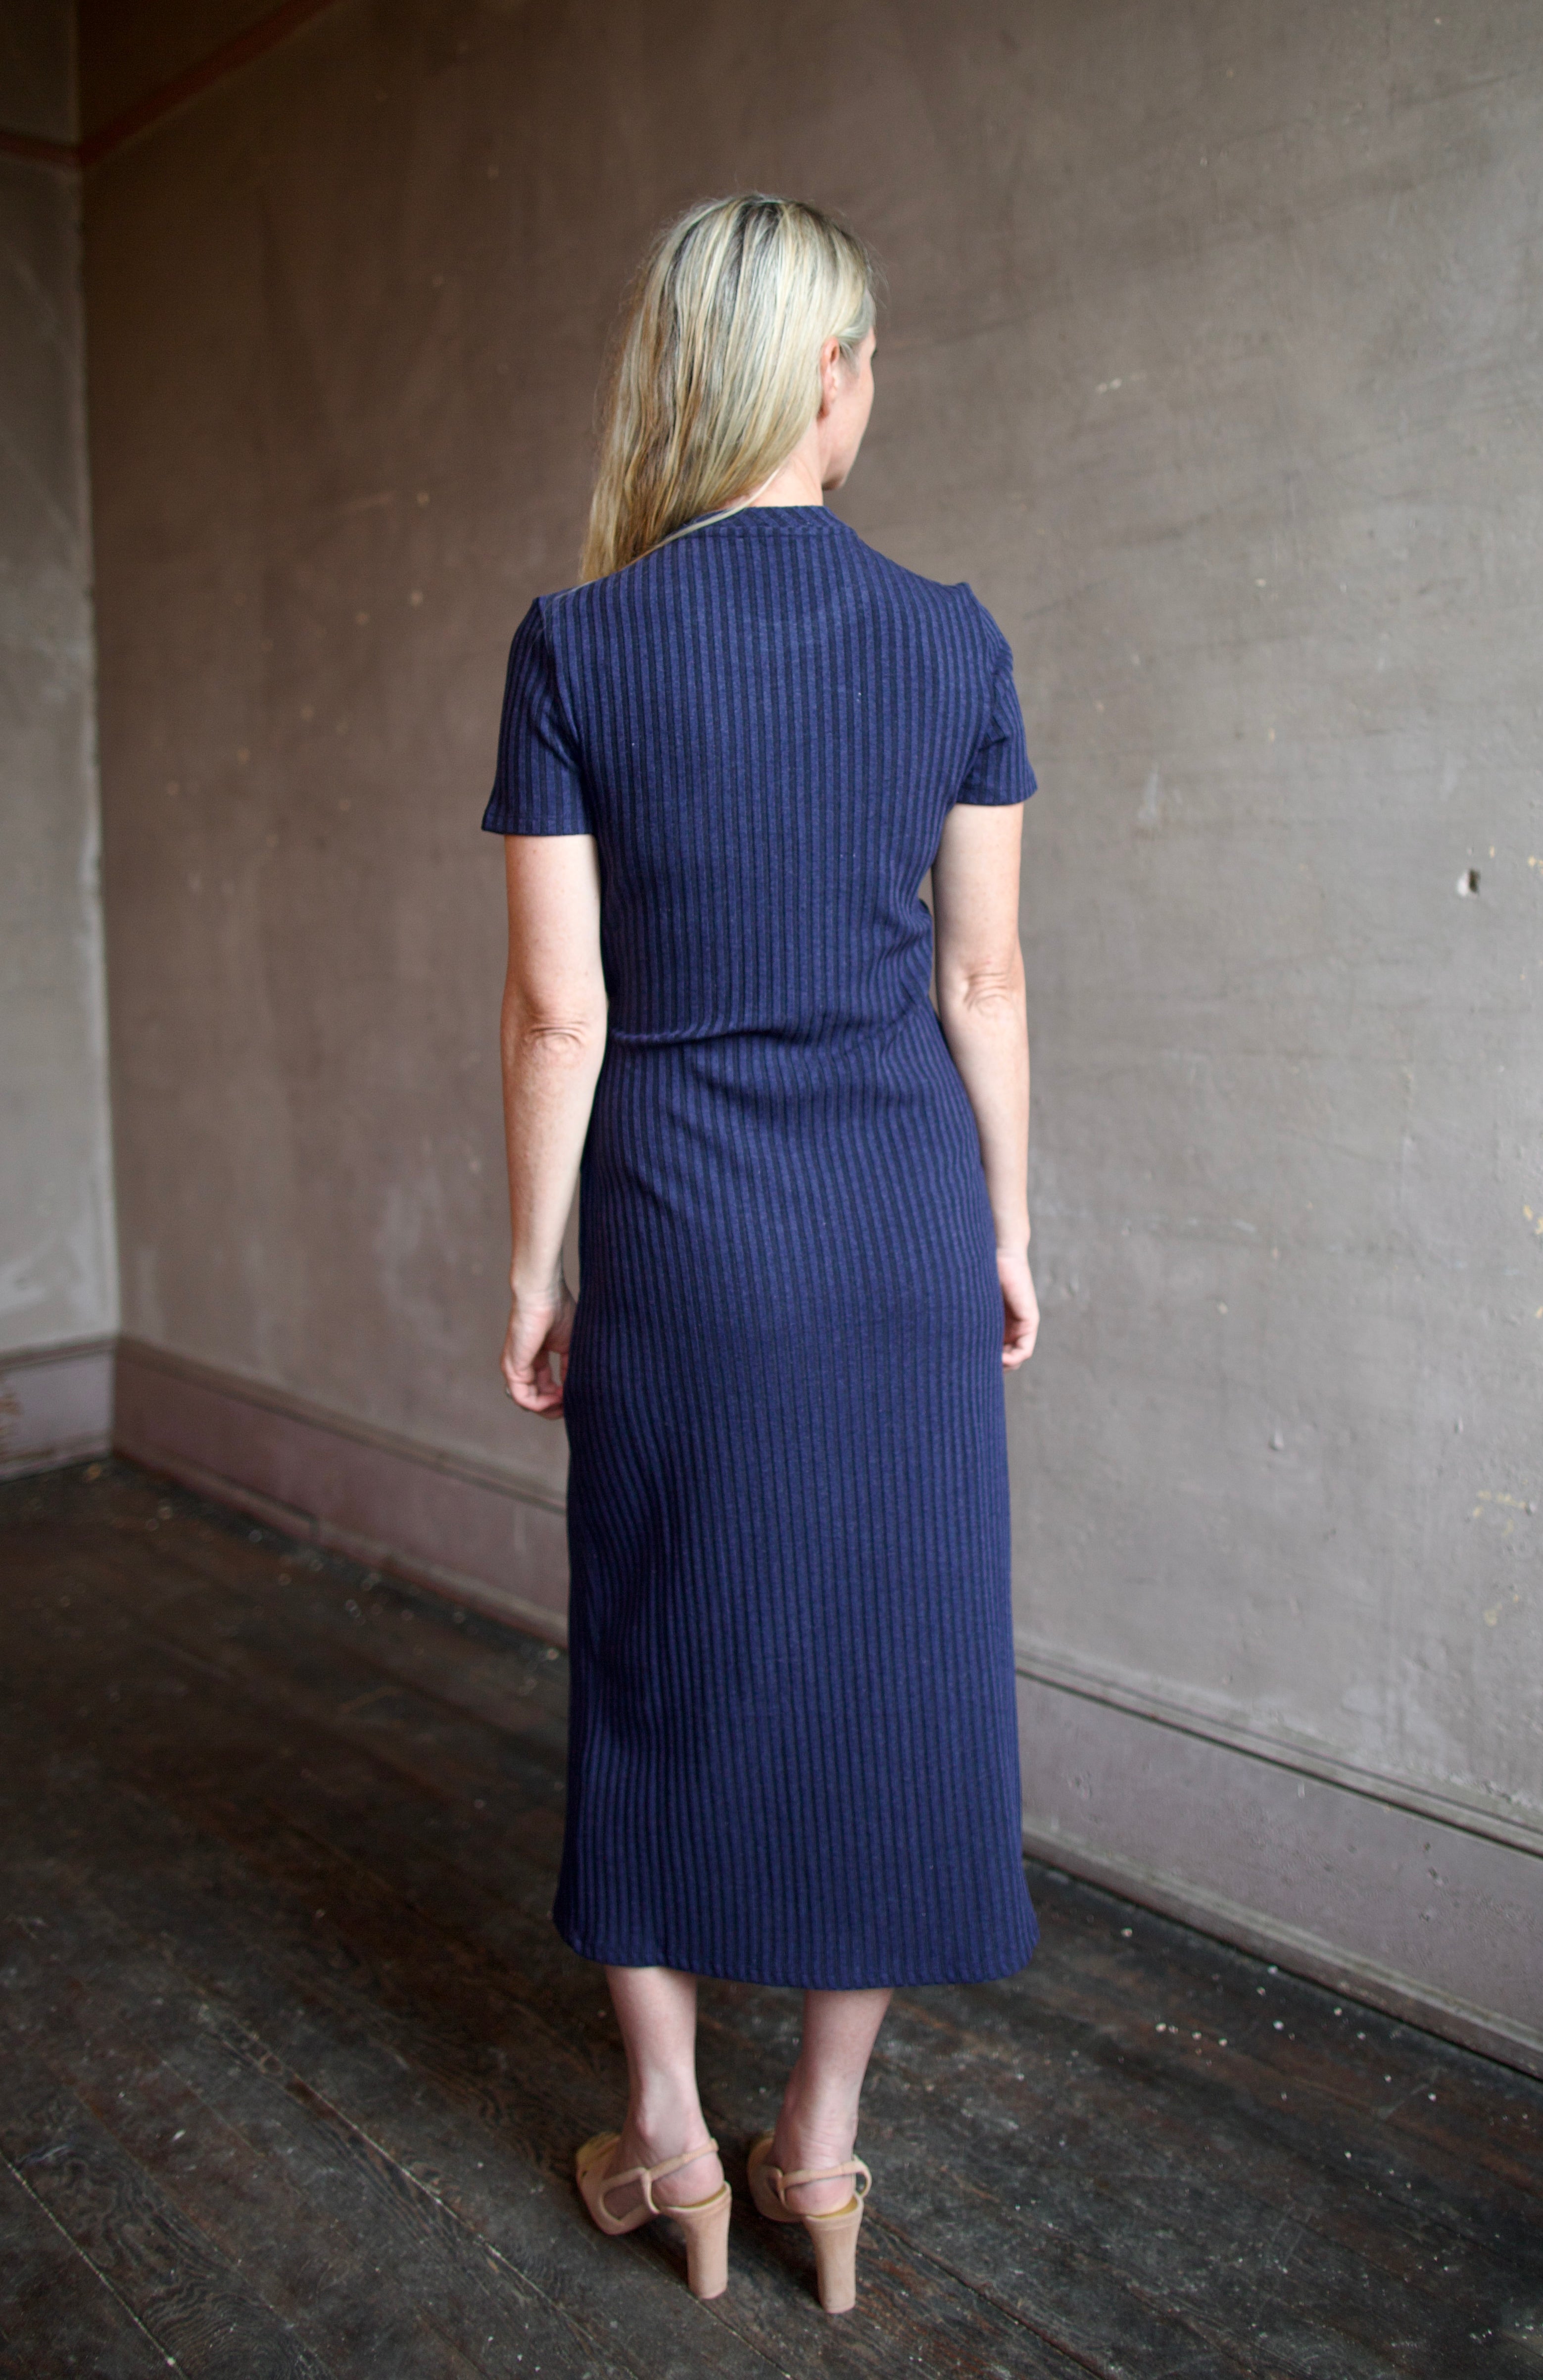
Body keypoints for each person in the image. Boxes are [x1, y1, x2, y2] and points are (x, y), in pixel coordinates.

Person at [484, 193, 1040, 2317]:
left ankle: (669, 2134)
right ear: (827, 376)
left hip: (680, 1227)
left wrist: (533, 1269)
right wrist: (1003, 1229)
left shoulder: (575, 644)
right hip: (898, 1220)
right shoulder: (954, 639)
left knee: (654, 1644)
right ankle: (819, 2143)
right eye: (866, 357)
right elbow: (981, 983)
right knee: (890, 1662)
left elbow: (562, 1015)